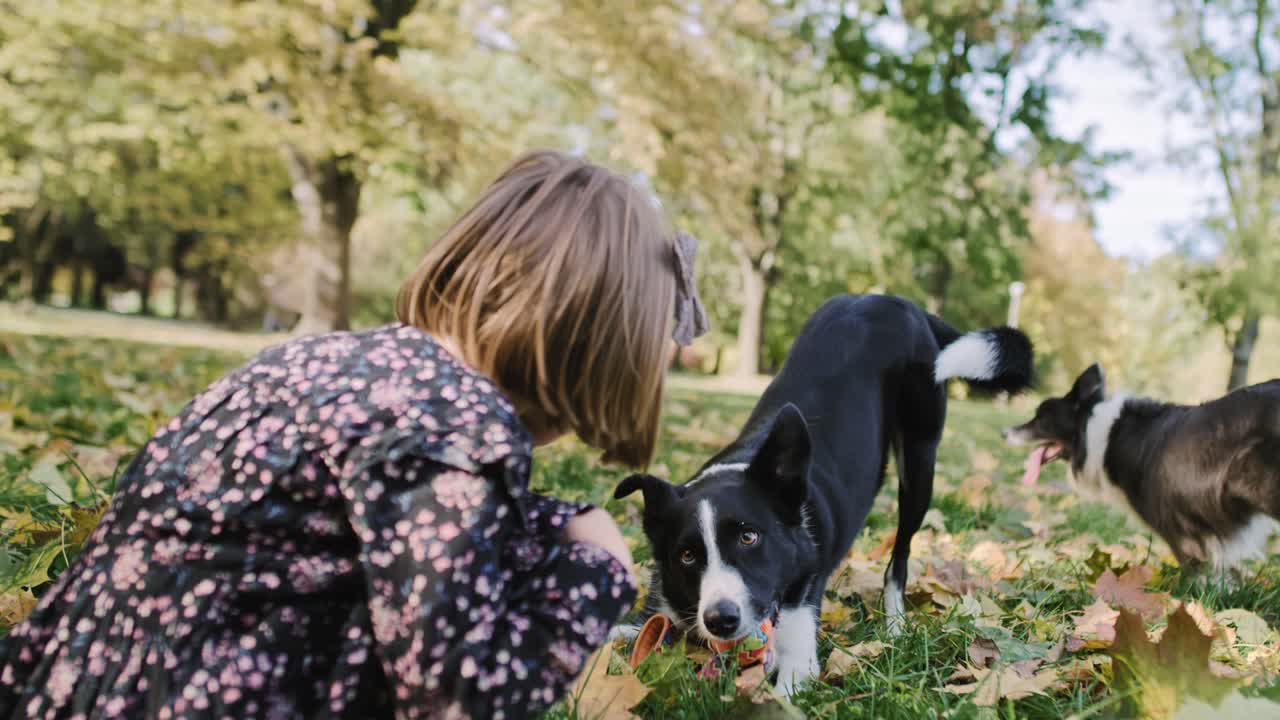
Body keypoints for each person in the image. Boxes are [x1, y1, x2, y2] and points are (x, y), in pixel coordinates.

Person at [0, 150, 709, 720]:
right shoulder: (454, 428)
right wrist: (595, 573)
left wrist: (550, 522)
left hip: (79, 677)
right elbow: (457, 696)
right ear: (592, 350)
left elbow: (388, 540)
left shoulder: (338, 362)